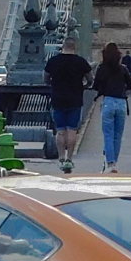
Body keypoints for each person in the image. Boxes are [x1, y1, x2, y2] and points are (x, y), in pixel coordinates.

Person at [41, 42, 92, 173]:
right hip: (75, 100)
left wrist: (53, 85)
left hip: (58, 99)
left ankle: (61, 159)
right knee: (72, 130)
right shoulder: (81, 62)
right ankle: (69, 159)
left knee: (60, 131)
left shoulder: (53, 61)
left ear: (63, 47)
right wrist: (84, 86)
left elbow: (45, 78)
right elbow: (90, 79)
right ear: (75, 48)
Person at [93, 42, 131, 174]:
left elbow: (95, 85)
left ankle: (109, 164)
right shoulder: (123, 69)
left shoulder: (102, 68)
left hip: (108, 101)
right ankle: (114, 163)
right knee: (117, 135)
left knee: (108, 135)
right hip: (121, 103)